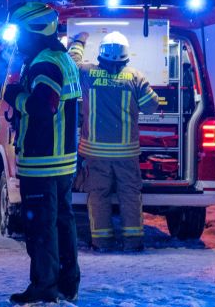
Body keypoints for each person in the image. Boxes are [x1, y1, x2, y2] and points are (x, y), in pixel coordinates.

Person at [3, 2, 81, 304]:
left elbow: (42, 106)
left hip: (43, 160)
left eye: (19, 33)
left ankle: (44, 287)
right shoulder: (62, 59)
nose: (17, 40)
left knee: (41, 228)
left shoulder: (44, 64)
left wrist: (16, 96)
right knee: (62, 223)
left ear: (34, 31)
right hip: (61, 162)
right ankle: (66, 283)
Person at [68, 31, 161, 252]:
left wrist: (79, 42)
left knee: (98, 196)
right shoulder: (136, 77)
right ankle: (133, 243)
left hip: (96, 153)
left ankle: (101, 242)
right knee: (130, 196)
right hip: (126, 154)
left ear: (101, 55)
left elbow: (71, 63)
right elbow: (151, 105)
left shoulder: (88, 73)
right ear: (126, 56)